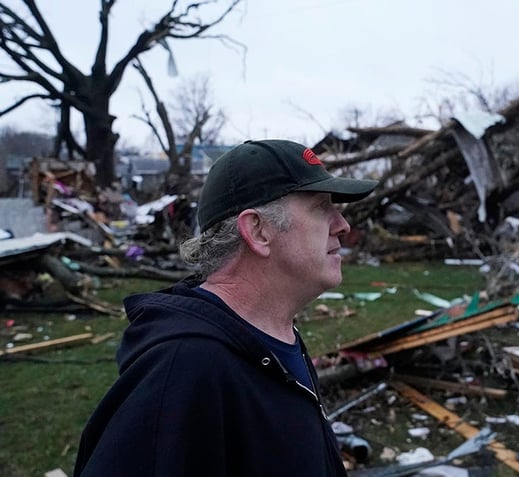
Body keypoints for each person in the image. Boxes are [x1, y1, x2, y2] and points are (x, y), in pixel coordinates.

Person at [74, 139, 378, 476]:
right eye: (321, 207)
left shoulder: (273, 337)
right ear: (258, 231)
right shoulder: (184, 369)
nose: (343, 224)